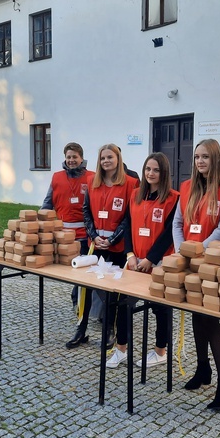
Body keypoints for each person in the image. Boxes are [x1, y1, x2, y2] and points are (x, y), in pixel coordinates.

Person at [173, 138, 220, 410]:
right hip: (189, 262)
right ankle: (203, 370)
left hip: (213, 265)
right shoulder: (187, 187)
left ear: (216, 159)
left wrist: (196, 250)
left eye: (205, 157)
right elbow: (178, 222)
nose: (200, 161)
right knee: (196, 316)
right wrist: (182, 249)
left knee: (211, 320)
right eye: (196, 157)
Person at [105, 152, 179, 369]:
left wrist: (151, 259)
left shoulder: (174, 198)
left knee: (160, 309)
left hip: (159, 262)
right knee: (125, 305)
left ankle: (160, 351)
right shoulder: (136, 194)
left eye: (156, 170)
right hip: (135, 262)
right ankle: (121, 349)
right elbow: (127, 225)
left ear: (164, 172)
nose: (151, 173)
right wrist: (129, 254)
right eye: (148, 169)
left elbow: (169, 233)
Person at [66, 144, 139, 349]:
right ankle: (81, 329)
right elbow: (86, 211)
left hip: (117, 248)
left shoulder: (131, 183)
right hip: (95, 246)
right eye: (103, 158)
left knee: (111, 291)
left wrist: (114, 239)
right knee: (86, 289)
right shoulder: (92, 181)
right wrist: (94, 235)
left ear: (118, 159)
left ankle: (109, 330)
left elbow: (129, 216)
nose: (106, 161)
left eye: (110, 157)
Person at [41, 142, 94, 310]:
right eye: (68, 157)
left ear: (81, 158)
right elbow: (48, 202)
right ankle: (78, 302)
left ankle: (81, 303)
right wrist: (39, 221)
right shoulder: (57, 177)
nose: (71, 160)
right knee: (69, 271)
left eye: (75, 157)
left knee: (84, 272)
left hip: (85, 235)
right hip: (63, 236)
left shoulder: (92, 177)